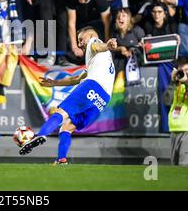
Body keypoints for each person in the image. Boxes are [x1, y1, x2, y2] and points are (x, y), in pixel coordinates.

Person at [19, 27, 117, 163]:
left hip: (93, 86)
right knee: (67, 127)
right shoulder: (99, 62)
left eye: (81, 39)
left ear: (91, 35)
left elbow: (97, 46)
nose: (79, 44)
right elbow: (75, 79)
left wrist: (107, 45)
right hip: (103, 100)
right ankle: (62, 160)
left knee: (61, 112)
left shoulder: (93, 42)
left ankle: (40, 135)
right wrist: (54, 83)